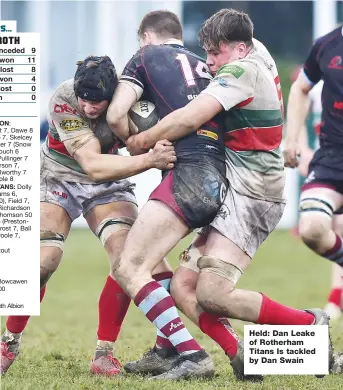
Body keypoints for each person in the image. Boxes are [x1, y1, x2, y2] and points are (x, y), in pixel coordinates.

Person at [125, 8, 334, 379]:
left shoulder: (240, 71)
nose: (208, 63)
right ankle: (240, 355)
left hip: (255, 193)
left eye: (215, 53)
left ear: (239, 48)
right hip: (239, 186)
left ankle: (309, 324)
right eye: (206, 52)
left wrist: (142, 139)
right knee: (183, 286)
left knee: (213, 294)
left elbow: (191, 117)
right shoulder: (257, 51)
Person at [0, 55, 176, 376]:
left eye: (97, 101)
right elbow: (92, 164)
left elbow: (159, 131)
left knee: (127, 262)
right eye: (85, 98)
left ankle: (103, 354)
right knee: (43, 260)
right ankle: (8, 342)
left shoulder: (129, 99)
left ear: (113, 94)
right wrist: (150, 159)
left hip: (107, 185)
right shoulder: (65, 99)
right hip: (58, 177)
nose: (89, 107)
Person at [107, 10, 230, 380]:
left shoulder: (145, 57)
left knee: (128, 267)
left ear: (146, 37)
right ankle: (165, 350)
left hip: (186, 175)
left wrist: (134, 141)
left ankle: (193, 355)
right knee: (156, 264)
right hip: (220, 178)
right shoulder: (205, 64)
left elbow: (115, 115)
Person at [290, 69, 343, 321]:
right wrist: (301, 146)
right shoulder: (320, 81)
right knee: (329, 228)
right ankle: (336, 298)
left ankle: (336, 298)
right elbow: (299, 99)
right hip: (328, 166)